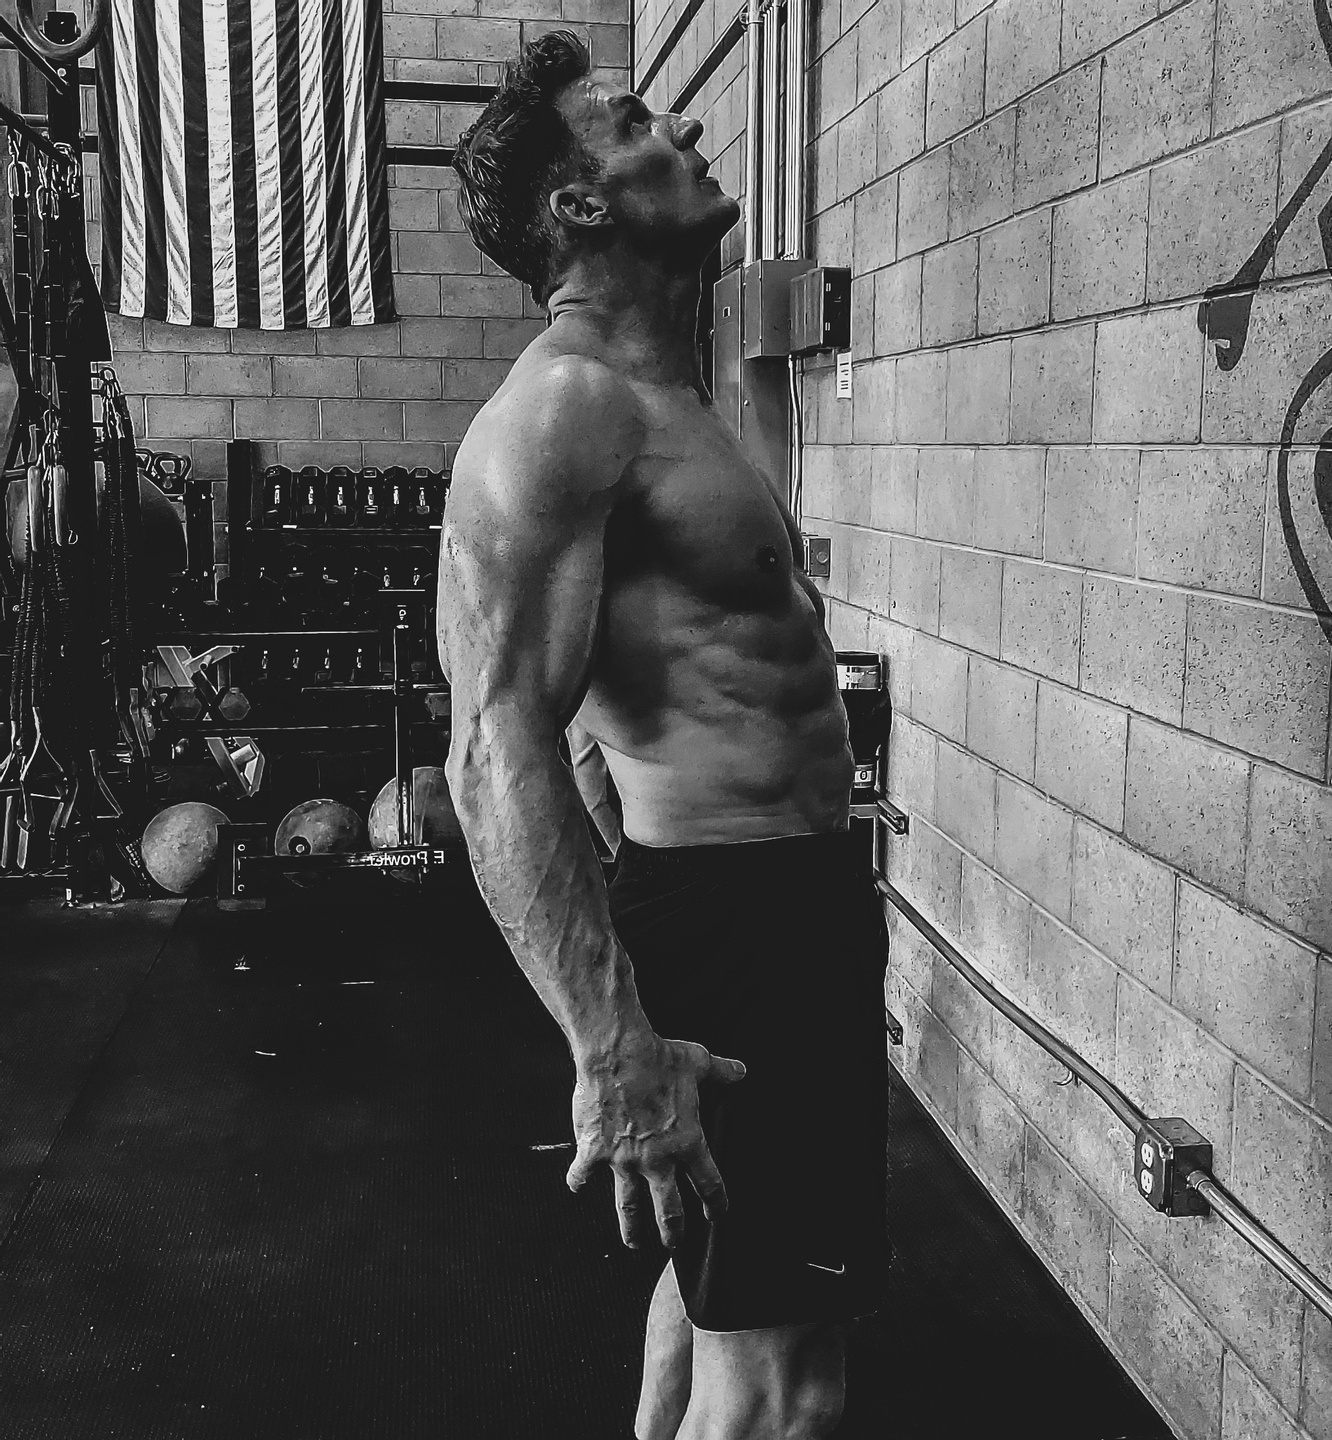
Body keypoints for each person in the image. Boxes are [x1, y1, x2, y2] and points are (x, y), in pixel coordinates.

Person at [439, 31, 890, 1440]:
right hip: (742, 918)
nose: (685, 128)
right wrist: (610, 1041)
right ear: (581, 202)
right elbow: (492, 744)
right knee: (787, 1395)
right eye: (636, 121)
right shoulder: (565, 409)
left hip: (771, 904)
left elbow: (588, 714)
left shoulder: (671, 400)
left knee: (711, 1308)